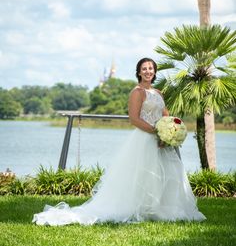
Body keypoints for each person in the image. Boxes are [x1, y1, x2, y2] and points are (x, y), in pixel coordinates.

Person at [33, 57, 206, 226]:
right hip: (144, 140)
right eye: (144, 68)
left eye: (151, 68)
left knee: (165, 175)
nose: (148, 71)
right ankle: (140, 209)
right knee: (143, 175)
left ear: (155, 72)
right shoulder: (137, 92)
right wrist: (156, 132)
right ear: (138, 72)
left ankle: (159, 210)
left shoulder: (158, 92)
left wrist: (168, 131)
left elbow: (165, 114)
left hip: (161, 142)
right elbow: (134, 119)